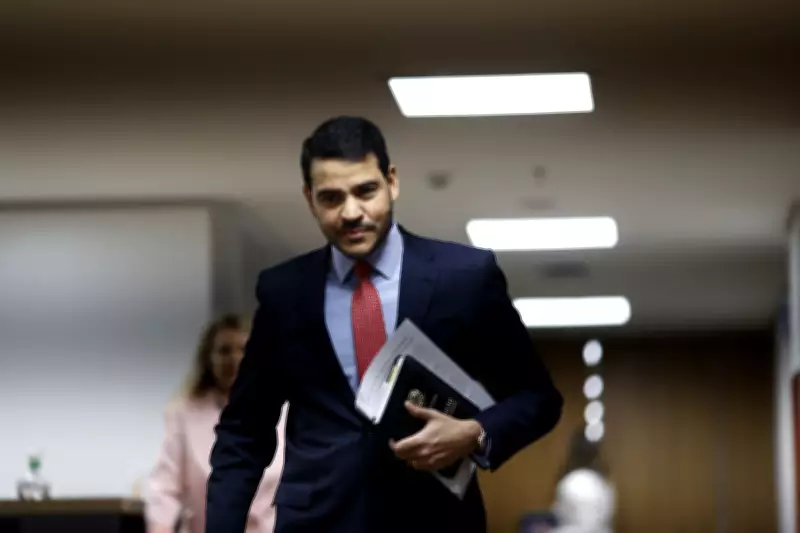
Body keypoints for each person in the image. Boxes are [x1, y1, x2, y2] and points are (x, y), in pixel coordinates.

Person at [206, 116, 563, 533]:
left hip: (434, 521)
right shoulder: (284, 292)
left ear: (391, 182)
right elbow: (244, 433)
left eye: (365, 191)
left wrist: (475, 433)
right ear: (309, 199)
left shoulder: (464, 278)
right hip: (318, 522)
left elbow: (538, 398)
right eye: (331, 198)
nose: (351, 212)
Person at [144, 313, 286, 533]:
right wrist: (161, 527)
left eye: (243, 349)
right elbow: (165, 486)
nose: (235, 358)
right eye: (224, 351)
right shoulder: (183, 412)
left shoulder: (285, 410)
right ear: (208, 358)